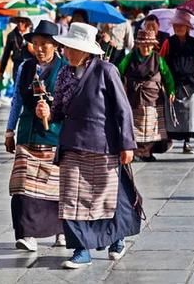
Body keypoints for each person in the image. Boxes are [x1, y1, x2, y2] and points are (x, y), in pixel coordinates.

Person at [35, 23, 141, 269]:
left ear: (85, 50)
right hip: (72, 144)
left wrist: (127, 144)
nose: (67, 52)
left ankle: (116, 237)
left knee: (105, 196)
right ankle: (81, 249)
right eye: (66, 47)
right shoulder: (64, 74)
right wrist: (47, 112)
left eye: (72, 48)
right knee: (71, 197)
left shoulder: (106, 70)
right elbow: (59, 110)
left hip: (103, 144)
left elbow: (122, 109)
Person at [4, 21, 67, 251]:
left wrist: (51, 111)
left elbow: (71, 104)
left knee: (54, 187)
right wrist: (10, 129)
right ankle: (26, 234)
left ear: (56, 46)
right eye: (36, 44)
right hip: (28, 132)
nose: (39, 49)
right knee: (22, 186)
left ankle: (61, 229)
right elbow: (17, 101)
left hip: (54, 134)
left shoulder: (65, 69)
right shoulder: (25, 68)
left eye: (45, 45)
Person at [118, 29, 175, 161]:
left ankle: (147, 152)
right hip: (134, 97)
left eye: (149, 45)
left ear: (153, 45)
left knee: (151, 126)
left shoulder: (158, 59)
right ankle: (137, 151)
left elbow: (167, 76)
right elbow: (119, 71)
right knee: (135, 125)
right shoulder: (130, 57)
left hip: (153, 98)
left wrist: (171, 90)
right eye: (143, 45)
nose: (146, 48)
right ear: (138, 45)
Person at [160, 10, 194, 155]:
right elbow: (161, 60)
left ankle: (187, 142)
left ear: (187, 28)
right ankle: (170, 139)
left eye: (181, 25)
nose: (178, 28)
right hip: (173, 81)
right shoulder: (168, 42)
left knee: (189, 115)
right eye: (176, 25)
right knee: (171, 112)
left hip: (191, 83)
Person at [0, 17, 33, 81]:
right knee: (17, 86)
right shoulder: (11, 35)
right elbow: (6, 53)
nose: (20, 23)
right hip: (17, 65)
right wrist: (1, 70)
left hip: (30, 65)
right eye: (18, 21)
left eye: (22, 21)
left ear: (27, 23)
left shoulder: (33, 35)